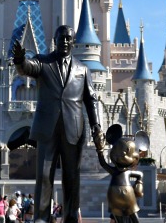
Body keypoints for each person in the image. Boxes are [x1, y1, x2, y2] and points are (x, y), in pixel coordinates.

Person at [12, 25, 103, 223]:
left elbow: (91, 99)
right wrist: (20, 60)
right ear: (54, 40)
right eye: (61, 38)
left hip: (74, 129)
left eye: (68, 38)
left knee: (72, 177)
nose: (65, 42)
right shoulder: (43, 62)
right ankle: (42, 218)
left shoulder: (83, 69)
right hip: (48, 129)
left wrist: (96, 125)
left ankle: (70, 217)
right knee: (44, 176)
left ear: (73, 42)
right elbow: (27, 68)